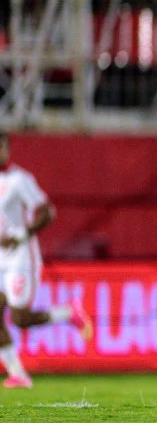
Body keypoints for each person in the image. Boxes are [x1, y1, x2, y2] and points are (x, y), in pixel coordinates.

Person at [0, 132, 93, 389]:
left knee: (19, 319)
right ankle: (17, 373)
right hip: (0, 258)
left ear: (7, 148)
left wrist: (21, 235)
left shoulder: (20, 180)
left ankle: (67, 312)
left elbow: (48, 212)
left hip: (21, 256)